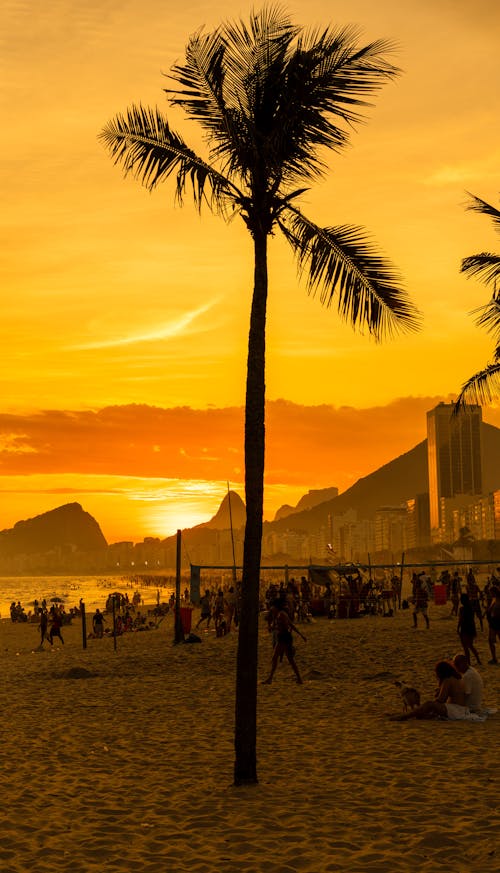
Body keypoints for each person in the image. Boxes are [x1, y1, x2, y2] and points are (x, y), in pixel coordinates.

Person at [389, 660, 470, 721]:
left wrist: (433, 701)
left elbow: (441, 700)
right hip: (460, 709)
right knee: (425, 711)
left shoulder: (448, 680)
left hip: (455, 710)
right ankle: (414, 714)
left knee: (429, 704)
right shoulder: (455, 678)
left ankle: (404, 716)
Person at [262, 599, 306, 685]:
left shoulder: (281, 615)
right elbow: (291, 625)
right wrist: (301, 635)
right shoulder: (279, 614)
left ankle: (271, 679)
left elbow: (286, 626)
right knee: (281, 658)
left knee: (284, 659)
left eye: (272, 606)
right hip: (283, 637)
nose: (271, 608)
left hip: (284, 637)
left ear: (275, 606)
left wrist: (274, 628)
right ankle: (271, 678)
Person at [457, 592, 481, 665]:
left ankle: (469, 662)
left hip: (464, 627)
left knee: (465, 647)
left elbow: (461, 619)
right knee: (470, 645)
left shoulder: (462, 609)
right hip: (471, 627)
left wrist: (458, 628)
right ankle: (478, 660)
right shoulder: (471, 608)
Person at [486, 586, 500, 664]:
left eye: (491, 592)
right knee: (491, 641)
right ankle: (494, 658)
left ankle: (494, 658)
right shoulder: (494, 599)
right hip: (493, 623)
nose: (490, 594)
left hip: (498, 622)